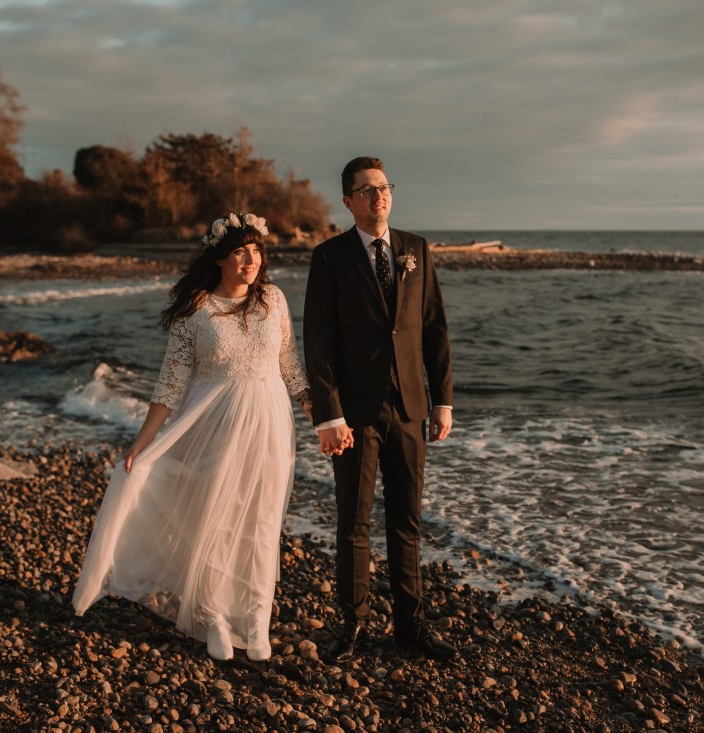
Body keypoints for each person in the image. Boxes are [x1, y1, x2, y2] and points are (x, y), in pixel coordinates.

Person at [72, 213, 311, 662]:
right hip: (212, 425)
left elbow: (290, 365)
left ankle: (257, 619)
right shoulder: (195, 312)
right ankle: (214, 615)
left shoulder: (273, 300)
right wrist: (142, 443)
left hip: (270, 423)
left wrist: (321, 415)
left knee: (260, 522)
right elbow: (170, 384)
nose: (250, 260)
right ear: (219, 258)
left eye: (256, 251)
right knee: (217, 518)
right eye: (240, 252)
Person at [303, 156, 458, 661]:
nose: (379, 196)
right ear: (348, 202)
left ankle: (410, 627)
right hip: (355, 414)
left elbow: (433, 328)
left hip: (411, 406)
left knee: (407, 520)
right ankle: (353, 627)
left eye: (384, 187)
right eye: (366, 190)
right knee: (353, 523)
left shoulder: (416, 249)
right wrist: (330, 415)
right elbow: (319, 343)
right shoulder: (329, 258)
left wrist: (443, 401)